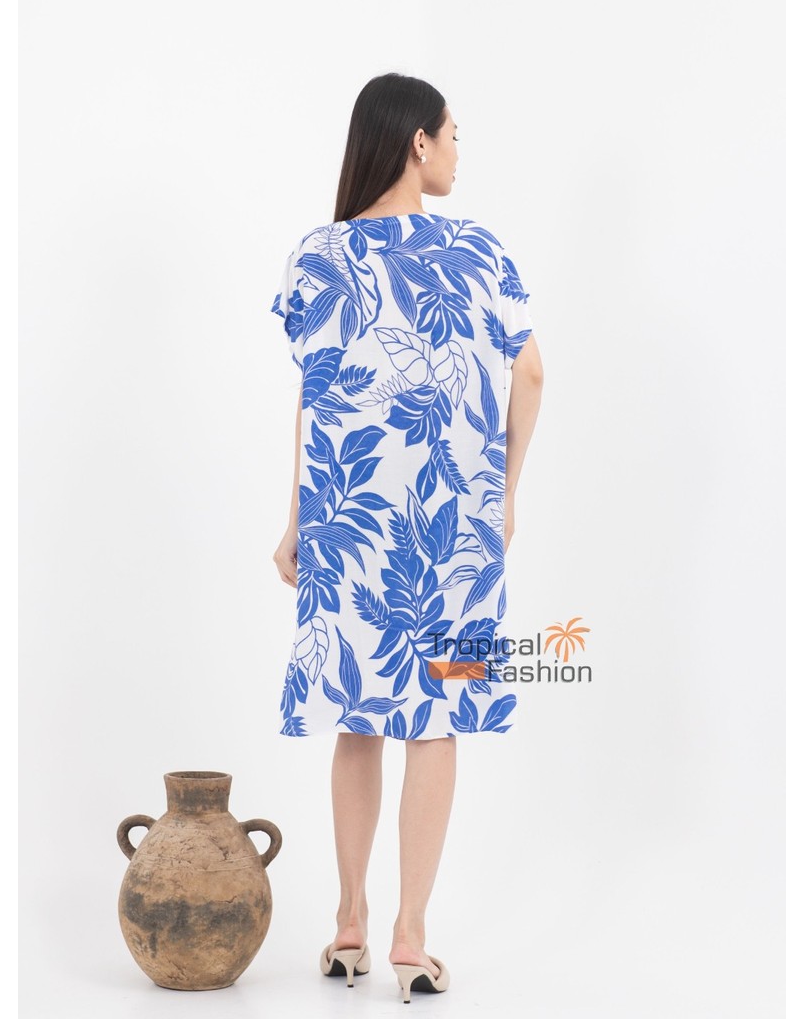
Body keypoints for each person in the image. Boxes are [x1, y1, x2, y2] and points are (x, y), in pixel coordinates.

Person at [269, 72, 544, 1003]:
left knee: (357, 716)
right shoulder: (478, 250)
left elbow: (313, 393)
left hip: (348, 522)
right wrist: (504, 494)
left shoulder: (318, 255)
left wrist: (297, 520)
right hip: (456, 530)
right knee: (439, 719)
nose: (459, 152)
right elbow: (532, 376)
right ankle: (410, 937)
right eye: (453, 134)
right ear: (418, 143)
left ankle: (348, 922)